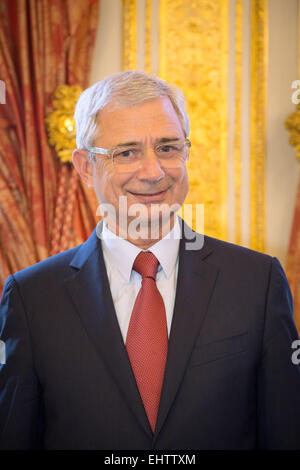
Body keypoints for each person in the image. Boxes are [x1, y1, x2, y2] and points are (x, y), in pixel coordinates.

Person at [0, 70, 300, 450]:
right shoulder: (31, 298)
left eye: (168, 148)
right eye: (126, 153)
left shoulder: (257, 282)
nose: (153, 172)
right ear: (85, 166)